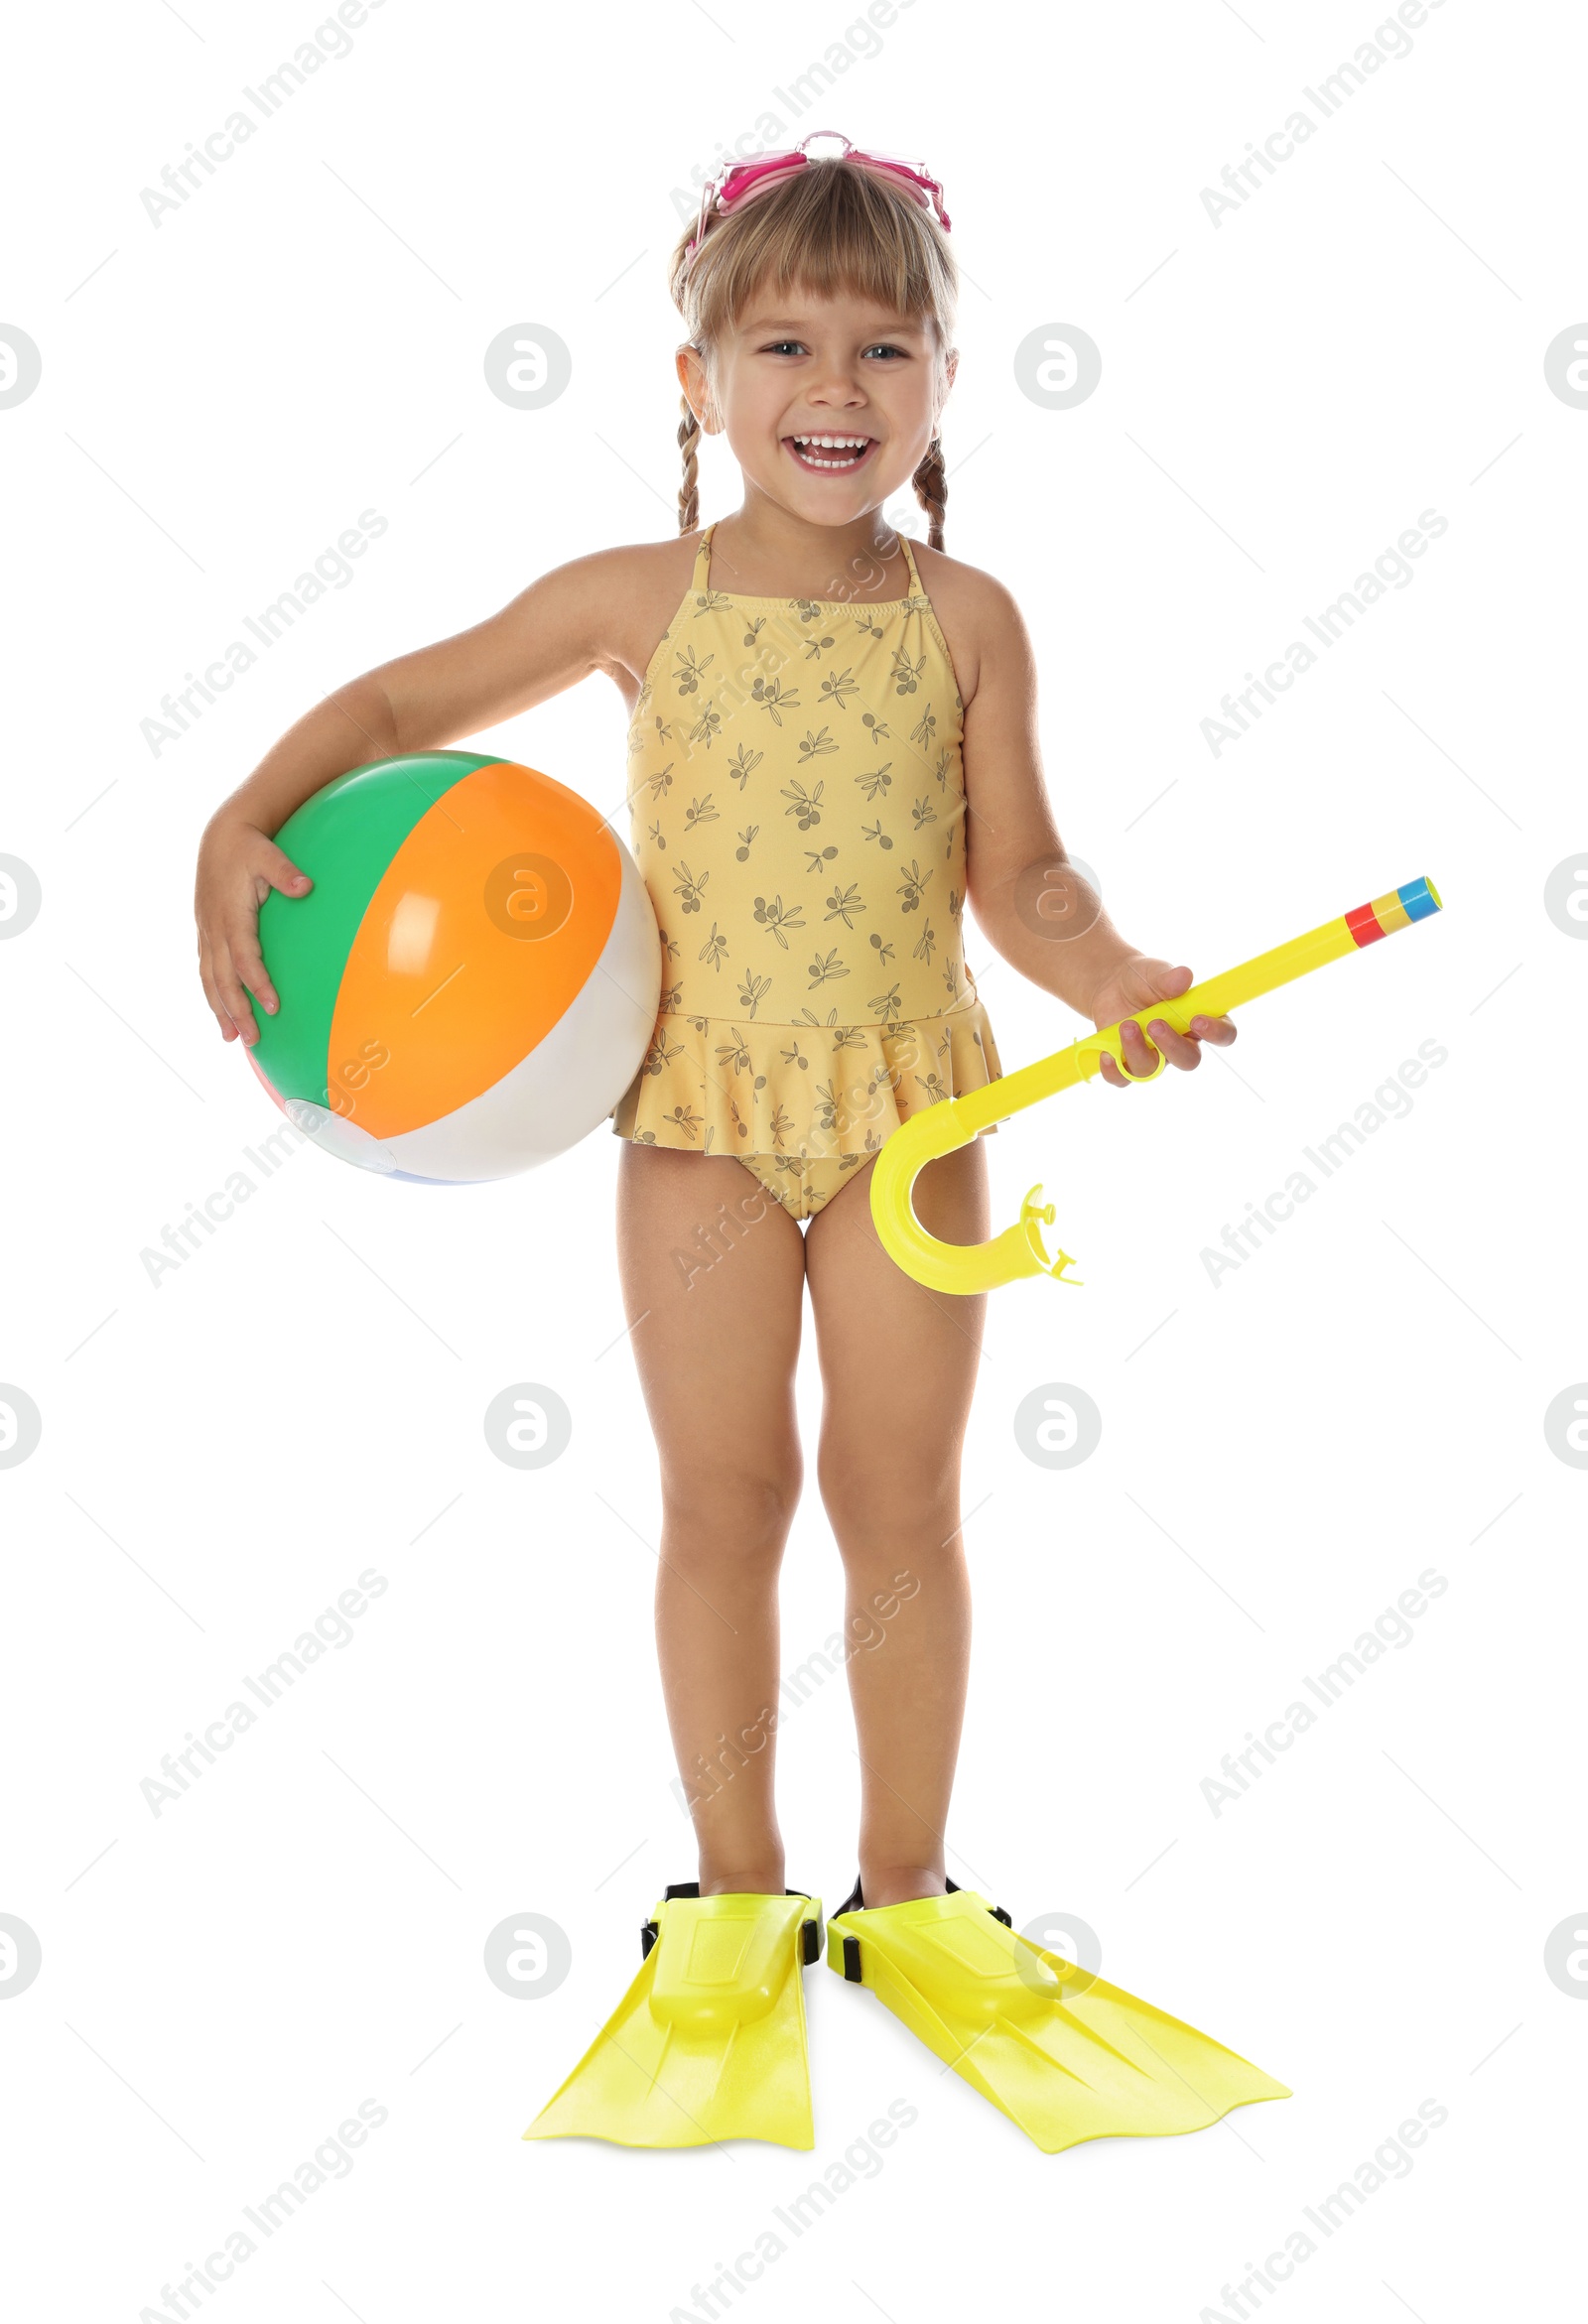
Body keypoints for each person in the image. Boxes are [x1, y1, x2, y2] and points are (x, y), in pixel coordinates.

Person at [197, 135, 1264, 2154]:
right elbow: (403, 691)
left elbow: (1019, 878)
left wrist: (1112, 973)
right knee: (720, 1498)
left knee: (900, 1505)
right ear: (694, 377)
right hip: (691, 1118)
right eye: (781, 339)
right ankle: (733, 1896)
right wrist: (232, 824)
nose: (833, 383)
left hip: (909, 1114)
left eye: (884, 342)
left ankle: (908, 1897)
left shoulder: (966, 617)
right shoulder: (632, 599)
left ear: (943, 379)